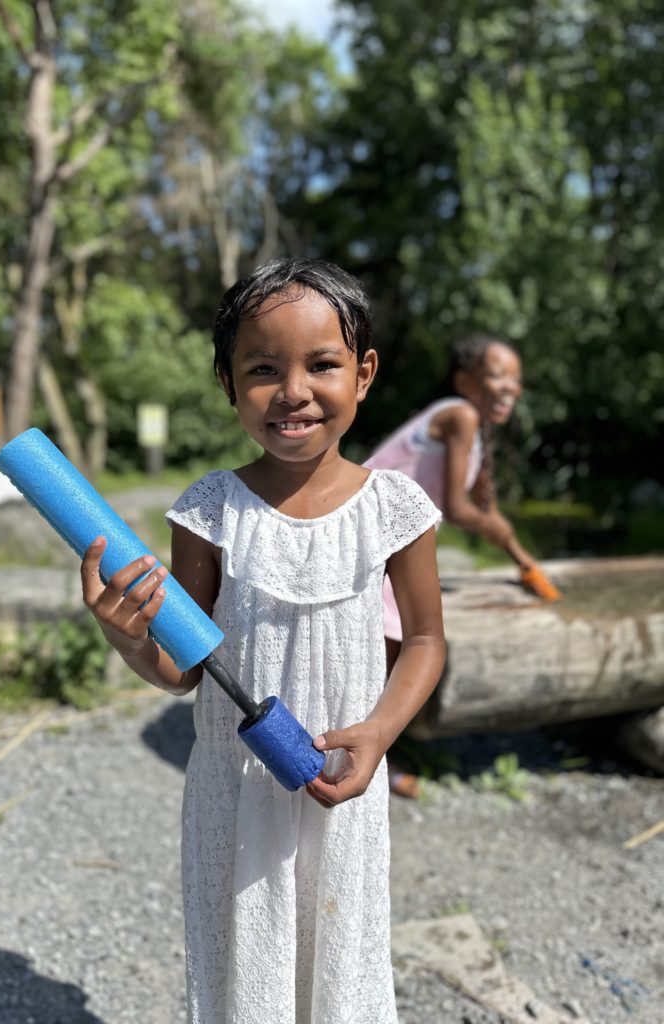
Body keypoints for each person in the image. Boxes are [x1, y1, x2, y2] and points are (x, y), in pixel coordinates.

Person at [80, 257, 446, 1024]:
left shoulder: (395, 507)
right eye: (262, 369)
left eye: (322, 365)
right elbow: (185, 664)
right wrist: (129, 642)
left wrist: (379, 735)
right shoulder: (210, 511)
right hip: (235, 790)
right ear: (226, 383)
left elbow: (423, 640)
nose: (294, 392)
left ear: (365, 373)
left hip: (343, 779)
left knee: (338, 959)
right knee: (244, 962)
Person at [364, 331, 561, 797]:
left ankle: (369, 755)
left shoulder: (470, 426)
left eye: (517, 379)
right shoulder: (460, 414)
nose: (510, 388)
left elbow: (481, 505)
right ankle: (366, 765)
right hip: (372, 541)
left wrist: (522, 561)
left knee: (382, 663)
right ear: (466, 381)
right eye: (498, 376)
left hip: (394, 544)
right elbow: (457, 508)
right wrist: (509, 538)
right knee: (379, 665)